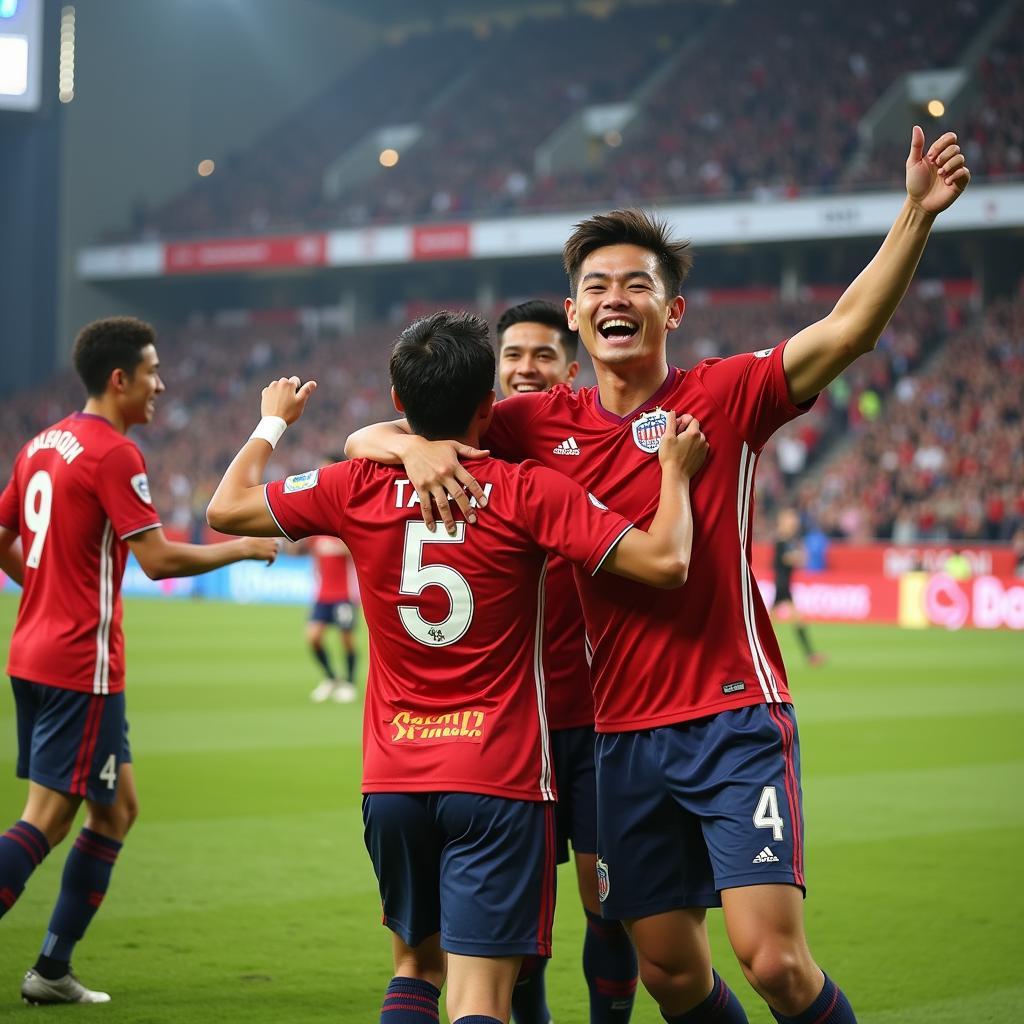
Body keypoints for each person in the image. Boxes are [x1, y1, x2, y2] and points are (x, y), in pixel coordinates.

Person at [347, 128, 971, 1024]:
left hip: (729, 716)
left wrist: (914, 214)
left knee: (773, 961)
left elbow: (845, 332)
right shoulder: (532, 424)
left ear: (670, 312)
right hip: (622, 736)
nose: (615, 297)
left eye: (637, 283)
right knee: (671, 973)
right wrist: (406, 448)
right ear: (572, 314)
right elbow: (375, 439)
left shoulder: (721, 396)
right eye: (596, 286)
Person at [206, 310, 708, 1024]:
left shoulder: (353, 487)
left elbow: (225, 508)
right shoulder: (526, 490)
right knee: (483, 998)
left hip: (393, 779)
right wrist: (675, 476)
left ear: (399, 404)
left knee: (414, 972)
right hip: (498, 774)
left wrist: (271, 425)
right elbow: (664, 561)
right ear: (490, 406)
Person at [0, 316, 280, 1006]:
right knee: (48, 816)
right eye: (153, 372)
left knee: (116, 809)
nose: (162, 384)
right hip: (78, 662)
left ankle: (53, 970)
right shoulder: (112, 452)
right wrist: (239, 549)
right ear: (119, 379)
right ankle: (50, 969)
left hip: (35, 649)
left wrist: (44, 588)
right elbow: (156, 560)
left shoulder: (43, 442)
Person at [497, 300, 638, 1024]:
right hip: (513, 729)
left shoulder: (588, 433)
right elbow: (368, 436)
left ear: (570, 366)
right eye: (513, 355)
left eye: (543, 356)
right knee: (519, 919)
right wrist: (416, 448)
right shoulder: (477, 438)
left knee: (606, 904)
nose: (526, 368)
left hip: (598, 720)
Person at [306, 457, 360, 704]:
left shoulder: (347, 511)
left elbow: (361, 550)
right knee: (313, 637)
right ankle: (331, 678)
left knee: (346, 638)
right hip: (322, 594)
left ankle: (349, 682)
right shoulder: (317, 516)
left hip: (344, 595)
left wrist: (343, 548)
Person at [771, 508, 825, 667]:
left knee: (770, 624)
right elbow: (787, 559)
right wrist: (799, 556)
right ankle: (810, 655)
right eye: (791, 521)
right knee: (795, 621)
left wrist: (798, 556)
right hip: (782, 585)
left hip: (783, 585)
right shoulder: (781, 540)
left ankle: (810, 655)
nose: (793, 524)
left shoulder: (787, 540)